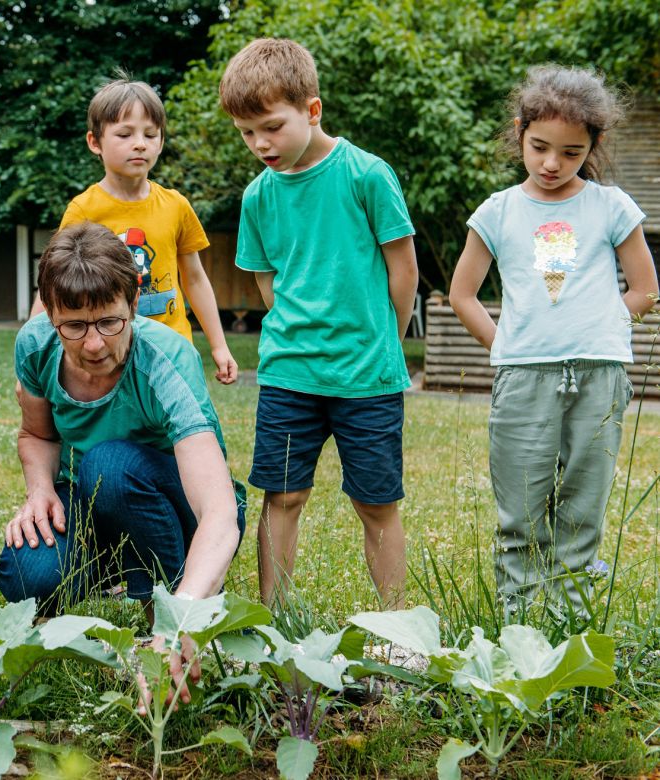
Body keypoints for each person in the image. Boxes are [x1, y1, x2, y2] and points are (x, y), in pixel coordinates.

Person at [218, 38, 419, 610]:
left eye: (271, 127)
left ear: (312, 110)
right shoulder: (258, 196)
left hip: (367, 377)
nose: (260, 143)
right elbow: (267, 283)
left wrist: (388, 340)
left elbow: (402, 270)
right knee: (282, 496)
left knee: (377, 504)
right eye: (246, 132)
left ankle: (395, 624)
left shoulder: (367, 176)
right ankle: (272, 621)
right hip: (288, 376)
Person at [449, 65, 657, 610]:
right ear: (519, 130)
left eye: (570, 152)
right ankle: (517, 618)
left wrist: (604, 328)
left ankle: (571, 618)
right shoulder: (497, 211)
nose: (551, 163)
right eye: (539, 146)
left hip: (599, 375)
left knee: (582, 506)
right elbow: (462, 294)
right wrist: (505, 346)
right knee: (520, 507)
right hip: (523, 378)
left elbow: (644, 289)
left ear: (594, 144)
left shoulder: (612, 207)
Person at [0, 221, 245, 625]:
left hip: (177, 509)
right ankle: (121, 572)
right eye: (74, 326)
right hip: (93, 499)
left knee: (109, 465)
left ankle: (169, 595)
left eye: (109, 322)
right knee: (28, 576)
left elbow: (219, 511)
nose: (93, 344)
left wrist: (182, 617)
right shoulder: (35, 344)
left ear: (132, 305)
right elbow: (37, 434)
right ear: (51, 314)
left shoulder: (168, 360)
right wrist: (40, 490)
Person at [32, 75, 238, 384]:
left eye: (150, 134)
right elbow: (53, 283)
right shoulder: (84, 209)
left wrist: (219, 346)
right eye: (125, 134)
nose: (140, 143)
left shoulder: (176, 205)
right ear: (94, 142)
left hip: (171, 349)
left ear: (161, 142)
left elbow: (194, 279)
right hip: (108, 351)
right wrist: (32, 353)